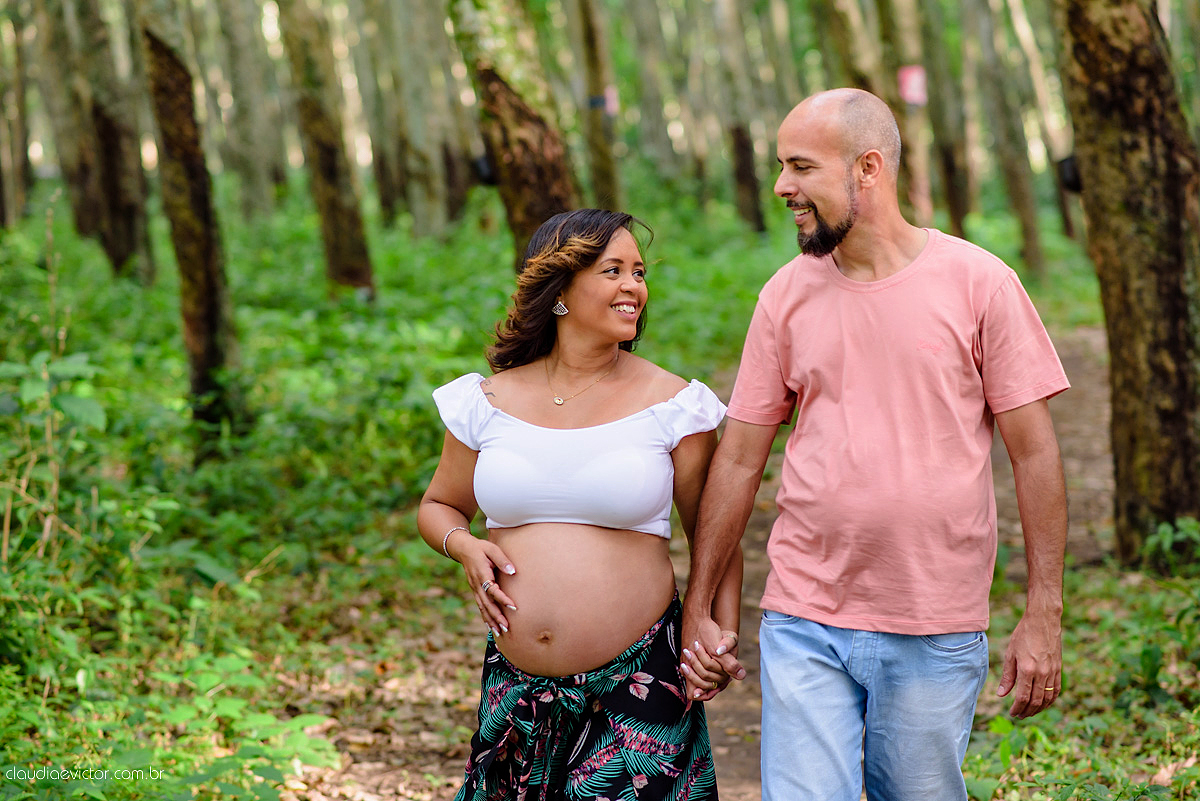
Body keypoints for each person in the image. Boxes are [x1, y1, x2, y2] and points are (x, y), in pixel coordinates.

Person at [679, 88, 1071, 801]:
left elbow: (1035, 453)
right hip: (804, 614)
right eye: (780, 166)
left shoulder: (981, 283)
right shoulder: (785, 295)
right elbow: (739, 457)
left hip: (933, 619)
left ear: (868, 168)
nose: (782, 187)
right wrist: (698, 603)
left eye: (801, 167)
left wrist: (1044, 609)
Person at [418, 208, 743, 801]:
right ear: (560, 289)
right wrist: (463, 546)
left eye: (639, 273)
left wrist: (717, 632)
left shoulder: (674, 404)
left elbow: (714, 532)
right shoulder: (485, 401)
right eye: (612, 270)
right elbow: (439, 505)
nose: (633, 286)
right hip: (517, 692)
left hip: (639, 681)